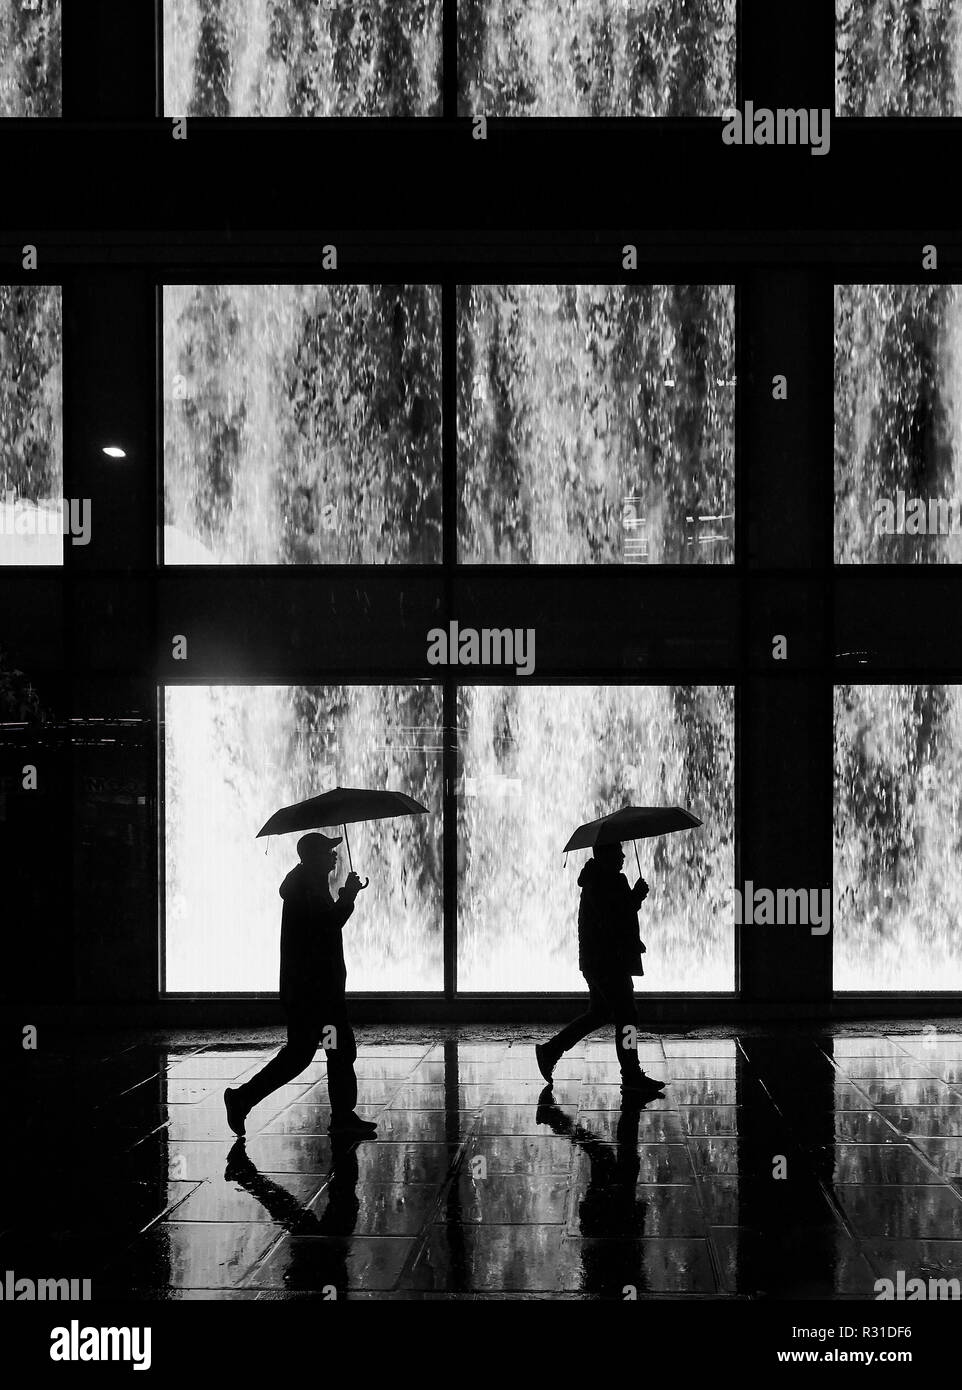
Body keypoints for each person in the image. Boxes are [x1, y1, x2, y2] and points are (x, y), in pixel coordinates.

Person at [225, 831, 374, 1137]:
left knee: (312, 1053)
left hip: (312, 992)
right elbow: (329, 924)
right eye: (328, 852)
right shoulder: (306, 888)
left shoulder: (307, 884)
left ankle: (243, 1099)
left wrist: (345, 895)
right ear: (312, 857)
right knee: (330, 1050)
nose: (334, 856)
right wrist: (347, 895)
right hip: (316, 994)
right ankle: (339, 1116)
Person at [536, 841, 664, 1094]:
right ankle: (631, 1073)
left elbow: (620, 915)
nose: (623, 856)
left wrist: (633, 900)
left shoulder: (609, 879)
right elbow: (610, 921)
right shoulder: (598, 882)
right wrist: (635, 898)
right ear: (605, 855)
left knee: (599, 1013)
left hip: (600, 961)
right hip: (606, 962)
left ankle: (551, 1051)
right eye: (617, 851)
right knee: (628, 1016)